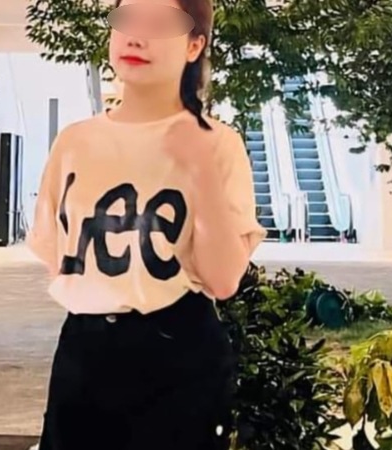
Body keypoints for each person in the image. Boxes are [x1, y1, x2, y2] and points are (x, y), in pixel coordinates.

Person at [26, 0, 267, 448]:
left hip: (177, 357)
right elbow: (55, 252)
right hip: (84, 354)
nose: (136, 36)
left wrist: (201, 171)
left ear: (194, 45)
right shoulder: (75, 142)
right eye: (127, 19)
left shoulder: (218, 144)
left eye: (159, 24)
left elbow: (222, 280)